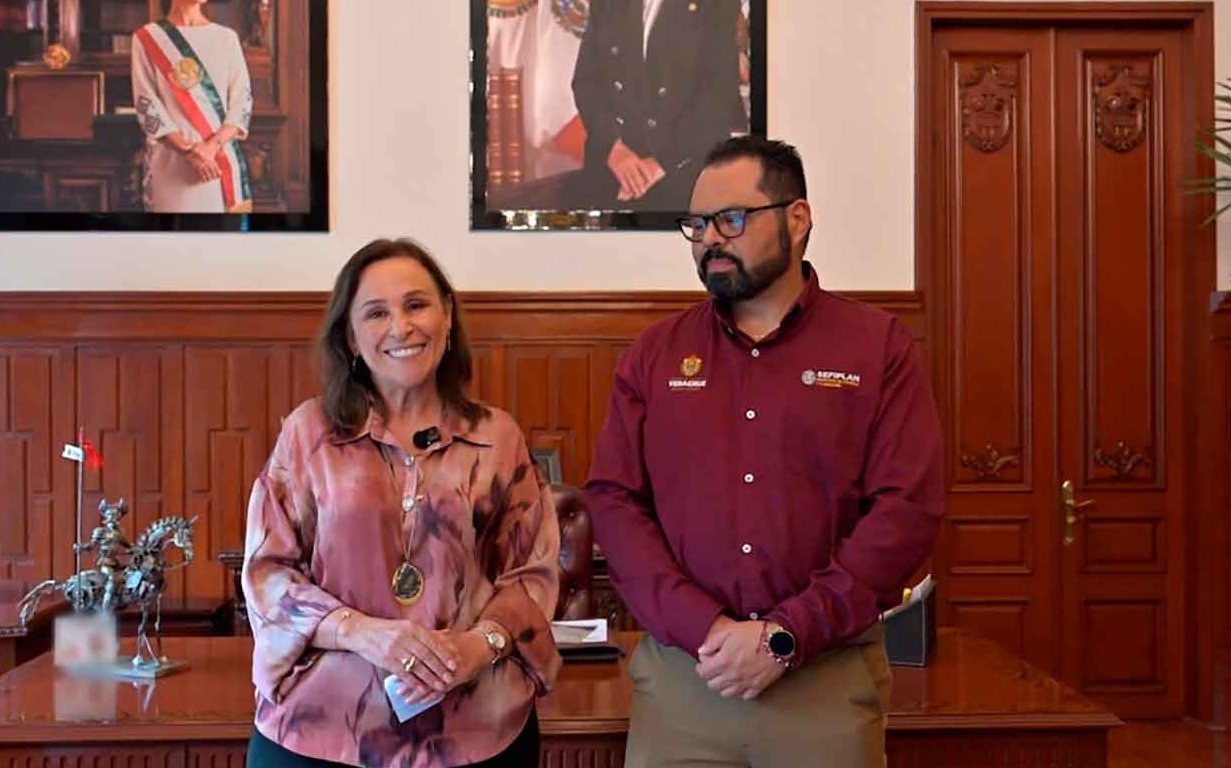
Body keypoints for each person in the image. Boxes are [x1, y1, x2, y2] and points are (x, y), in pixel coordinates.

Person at [584, 136, 944, 768]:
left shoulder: (877, 348)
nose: (709, 241)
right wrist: (705, 627)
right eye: (696, 225)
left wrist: (787, 634)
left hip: (824, 682)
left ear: (797, 219)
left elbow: (905, 510)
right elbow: (614, 501)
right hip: (686, 681)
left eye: (731, 219)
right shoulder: (656, 355)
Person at [242, 239, 561, 768]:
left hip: (478, 731)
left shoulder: (497, 437)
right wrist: (362, 633)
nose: (401, 327)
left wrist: (478, 646)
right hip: (321, 732)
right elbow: (268, 573)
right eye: (376, 313)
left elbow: (532, 573)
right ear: (350, 336)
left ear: (447, 316)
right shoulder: (307, 434)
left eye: (416, 305)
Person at [565, 0, 747, 211]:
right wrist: (613, 148)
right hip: (613, 168)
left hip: (686, 169)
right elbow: (586, 82)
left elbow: (719, 95)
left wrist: (660, 163)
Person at [131, 0, 253, 213]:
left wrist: (211, 147)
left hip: (219, 160)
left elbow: (242, 101)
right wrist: (188, 152)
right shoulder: (147, 37)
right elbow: (147, 104)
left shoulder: (226, 38)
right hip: (172, 163)